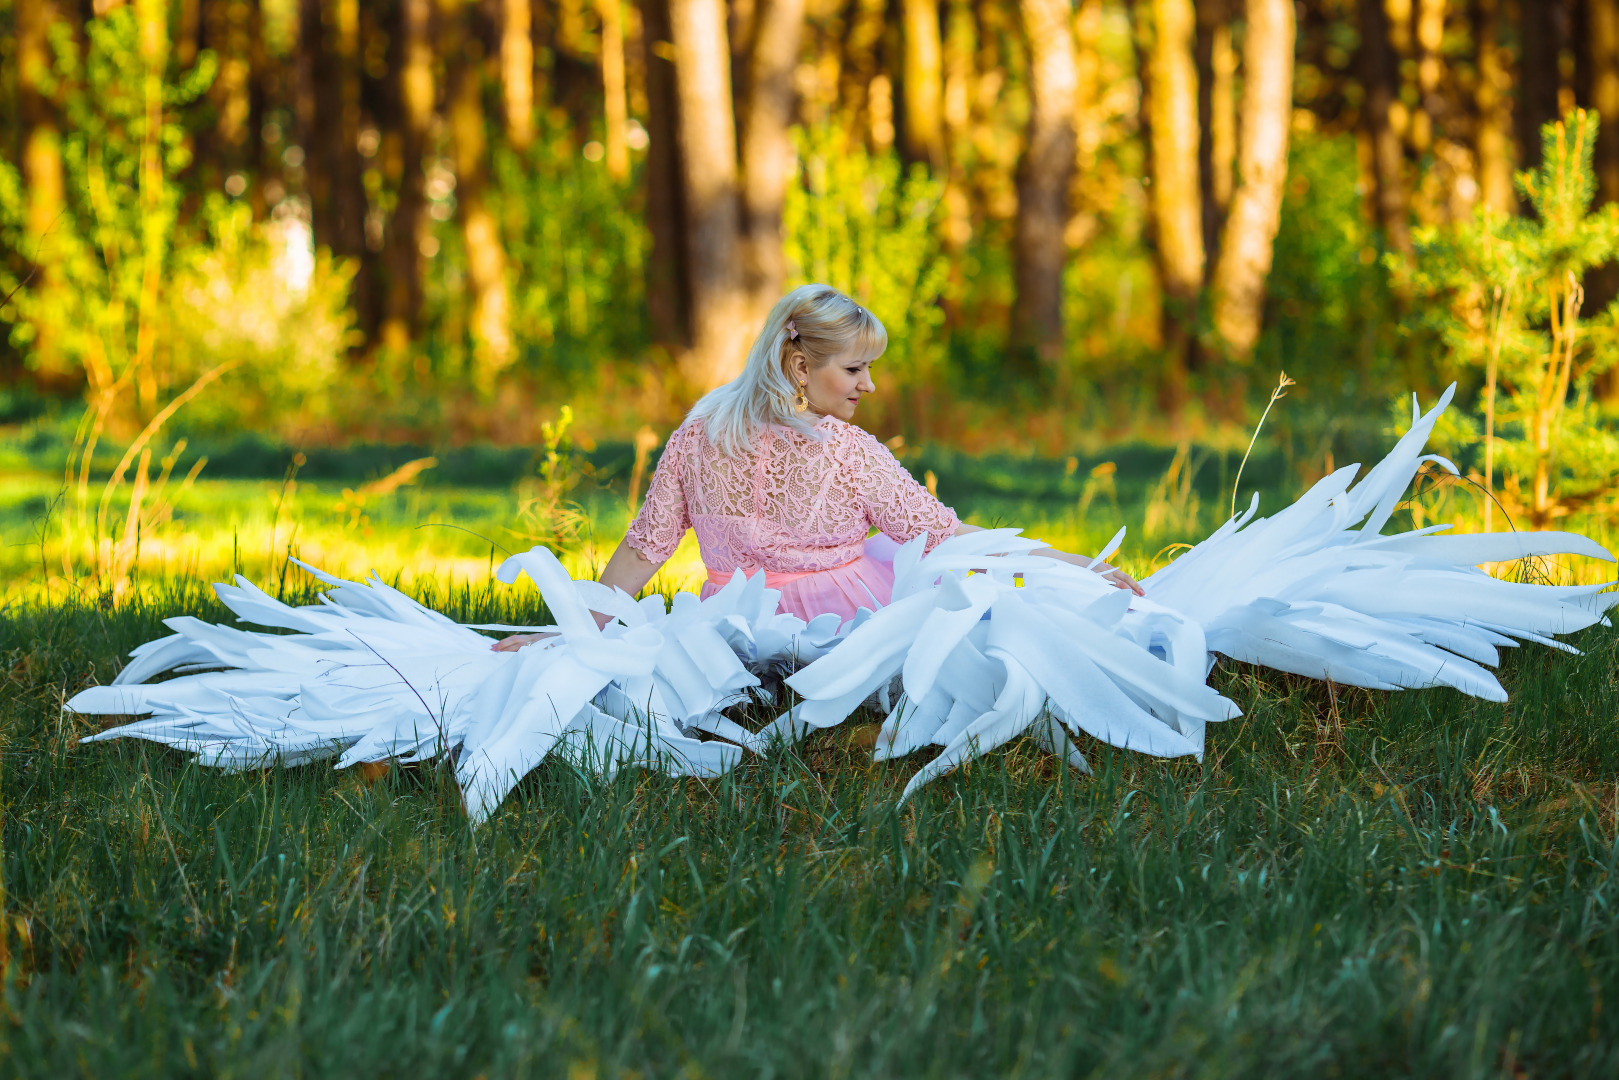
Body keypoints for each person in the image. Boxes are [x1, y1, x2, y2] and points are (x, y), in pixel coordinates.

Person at [492, 284, 1140, 653]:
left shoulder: (697, 434)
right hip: (852, 626)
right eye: (855, 369)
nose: (870, 386)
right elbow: (946, 537)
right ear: (801, 367)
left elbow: (642, 552)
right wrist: (1073, 566)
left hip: (731, 632)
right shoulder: (847, 452)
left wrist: (567, 640)